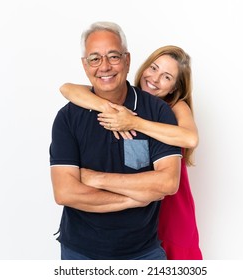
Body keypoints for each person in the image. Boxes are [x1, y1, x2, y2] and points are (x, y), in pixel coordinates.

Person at [49, 21, 182, 260]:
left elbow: (168, 182)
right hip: (80, 253)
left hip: (144, 253)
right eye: (95, 58)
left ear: (128, 60)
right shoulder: (67, 118)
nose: (105, 66)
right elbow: (66, 193)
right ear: (84, 65)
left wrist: (95, 178)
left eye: (113, 56)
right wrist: (135, 198)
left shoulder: (157, 112)